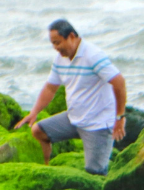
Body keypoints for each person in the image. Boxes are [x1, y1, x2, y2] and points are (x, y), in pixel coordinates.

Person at [14, 18, 127, 175]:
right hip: (73, 119)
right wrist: (34, 112)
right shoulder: (60, 59)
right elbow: (50, 88)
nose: (56, 48)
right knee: (38, 131)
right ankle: (47, 168)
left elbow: (119, 82)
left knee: (94, 173)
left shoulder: (93, 55)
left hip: (97, 123)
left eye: (58, 42)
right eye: (53, 43)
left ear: (72, 36)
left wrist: (120, 117)